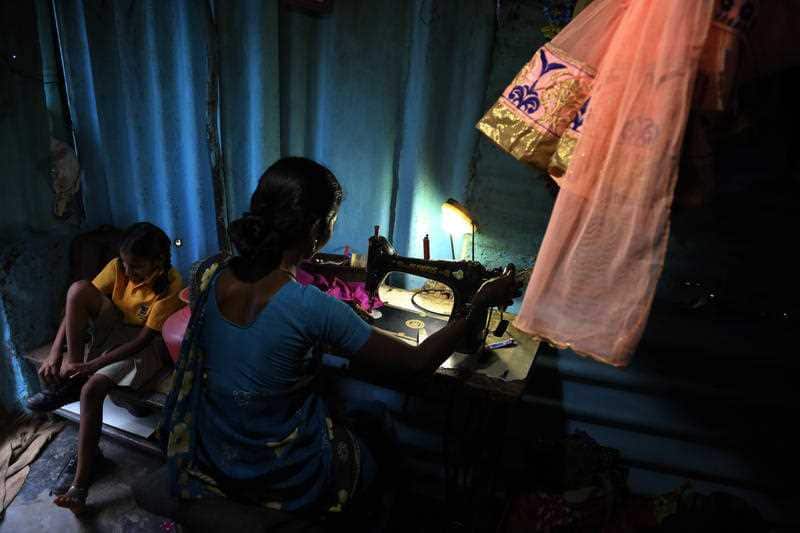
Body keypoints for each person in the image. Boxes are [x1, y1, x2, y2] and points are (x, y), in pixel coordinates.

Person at [161, 157, 520, 516]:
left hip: (213, 447)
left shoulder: (209, 272)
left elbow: (254, 338)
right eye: (333, 219)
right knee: (376, 428)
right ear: (318, 228)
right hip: (276, 474)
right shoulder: (312, 307)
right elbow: (417, 364)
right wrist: (477, 305)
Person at [27, 222, 184, 513]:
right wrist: (57, 355)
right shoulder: (118, 267)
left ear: (158, 261)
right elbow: (75, 304)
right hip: (114, 330)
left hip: (144, 346)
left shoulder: (172, 285)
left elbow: (141, 342)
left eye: (136, 266)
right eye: (125, 264)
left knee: (92, 389)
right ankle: (71, 375)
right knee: (78, 289)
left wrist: (94, 365)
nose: (128, 271)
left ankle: (80, 486)